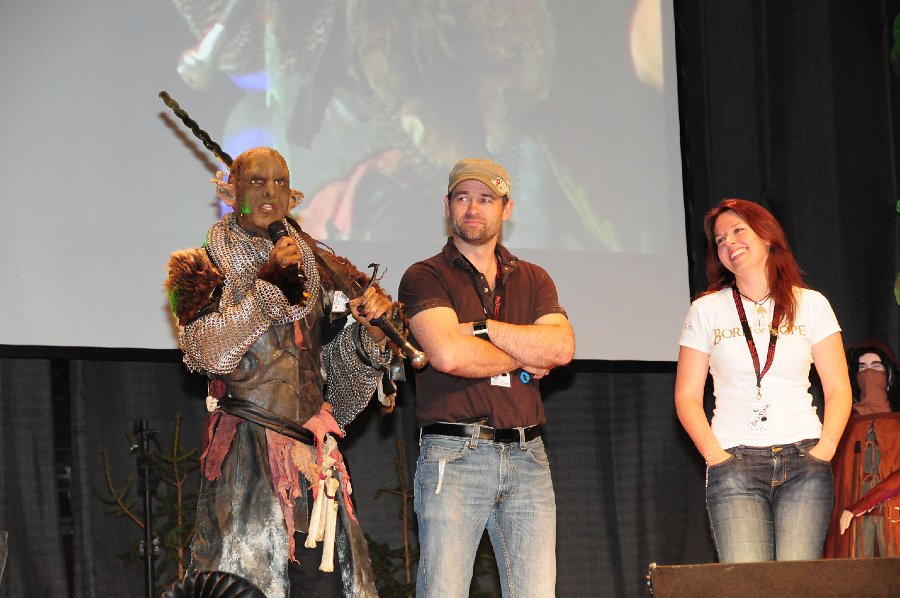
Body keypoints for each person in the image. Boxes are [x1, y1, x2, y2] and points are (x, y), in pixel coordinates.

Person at [164, 147, 400, 597]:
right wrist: (268, 289)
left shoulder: (323, 274)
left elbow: (339, 390)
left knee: (322, 584)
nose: (269, 192)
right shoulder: (198, 267)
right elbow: (207, 354)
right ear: (229, 191)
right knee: (248, 584)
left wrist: (370, 339)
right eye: (256, 182)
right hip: (246, 459)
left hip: (313, 460)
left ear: (294, 197)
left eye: (279, 184)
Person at [397, 158, 575, 597]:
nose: (472, 208)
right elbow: (448, 354)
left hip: (528, 456)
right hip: (454, 455)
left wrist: (483, 328)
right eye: (462, 198)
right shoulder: (424, 275)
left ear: (506, 209)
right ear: (448, 206)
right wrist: (525, 351)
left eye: (485, 198)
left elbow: (561, 349)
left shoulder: (534, 278)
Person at [674, 198, 852, 562]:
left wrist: (826, 449)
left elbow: (838, 388)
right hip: (733, 462)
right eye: (720, 240)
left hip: (805, 459)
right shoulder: (705, 310)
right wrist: (715, 455)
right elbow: (687, 397)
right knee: (748, 584)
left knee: (795, 586)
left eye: (738, 230)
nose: (728, 243)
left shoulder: (812, 304)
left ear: (767, 236)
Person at [825, 339, 900, 557]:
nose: (869, 373)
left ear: (889, 374)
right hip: (850, 532)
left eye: (876, 366)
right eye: (862, 367)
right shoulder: (842, 426)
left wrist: (865, 503)